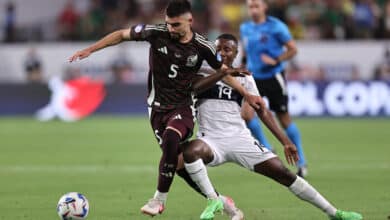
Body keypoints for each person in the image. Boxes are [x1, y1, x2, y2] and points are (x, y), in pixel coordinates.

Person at [69, 0, 253, 217]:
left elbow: (222, 71)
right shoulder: (156, 33)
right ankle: (219, 200)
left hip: (183, 107)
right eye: (168, 24)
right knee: (178, 166)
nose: (170, 29)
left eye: (175, 25)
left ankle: (158, 200)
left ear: (189, 21)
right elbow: (121, 34)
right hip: (156, 110)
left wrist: (247, 93)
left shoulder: (203, 46)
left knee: (171, 138)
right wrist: (91, 49)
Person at [181, 33, 363, 220]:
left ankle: (334, 213)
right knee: (190, 151)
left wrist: (285, 141)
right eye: (217, 48)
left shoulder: (245, 78)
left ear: (236, 53)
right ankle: (215, 200)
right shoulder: (201, 73)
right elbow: (193, 89)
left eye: (227, 49)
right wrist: (223, 72)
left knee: (283, 173)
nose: (222, 53)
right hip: (210, 140)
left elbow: (262, 111)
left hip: (239, 139)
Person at [240, 0, 308, 177]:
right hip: (253, 79)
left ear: (264, 8)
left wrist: (277, 60)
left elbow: (293, 49)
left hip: (273, 78)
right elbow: (246, 52)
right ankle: (268, 148)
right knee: (246, 115)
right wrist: (242, 66)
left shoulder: (277, 27)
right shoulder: (245, 28)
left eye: (256, 6)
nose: (253, 10)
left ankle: (302, 161)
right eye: (250, 7)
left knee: (284, 119)